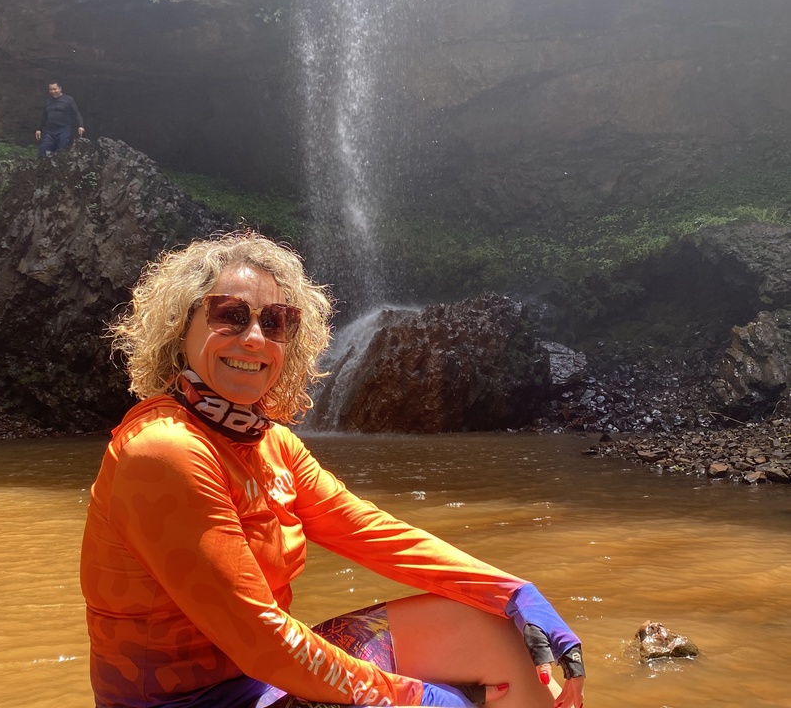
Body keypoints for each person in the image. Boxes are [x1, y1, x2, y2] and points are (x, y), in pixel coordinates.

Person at [80, 231, 586, 708]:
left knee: (496, 627)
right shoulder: (165, 450)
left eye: (275, 321)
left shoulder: (272, 444)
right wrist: (418, 697)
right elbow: (262, 641)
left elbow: (372, 532)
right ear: (180, 328)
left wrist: (510, 591)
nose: (254, 337)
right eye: (229, 315)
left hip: (262, 686)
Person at [35, 81, 84, 157]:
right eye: (51, 89)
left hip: (64, 129)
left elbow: (76, 113)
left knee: (61, 151)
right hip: (50, 131)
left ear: (60, 88)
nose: (53, 91)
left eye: (55, 89)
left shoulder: (68, 99)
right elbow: (44, 116)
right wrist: (39, 129)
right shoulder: (48, 101)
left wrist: (81, 125)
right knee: (43, 151)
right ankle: (47, 163)